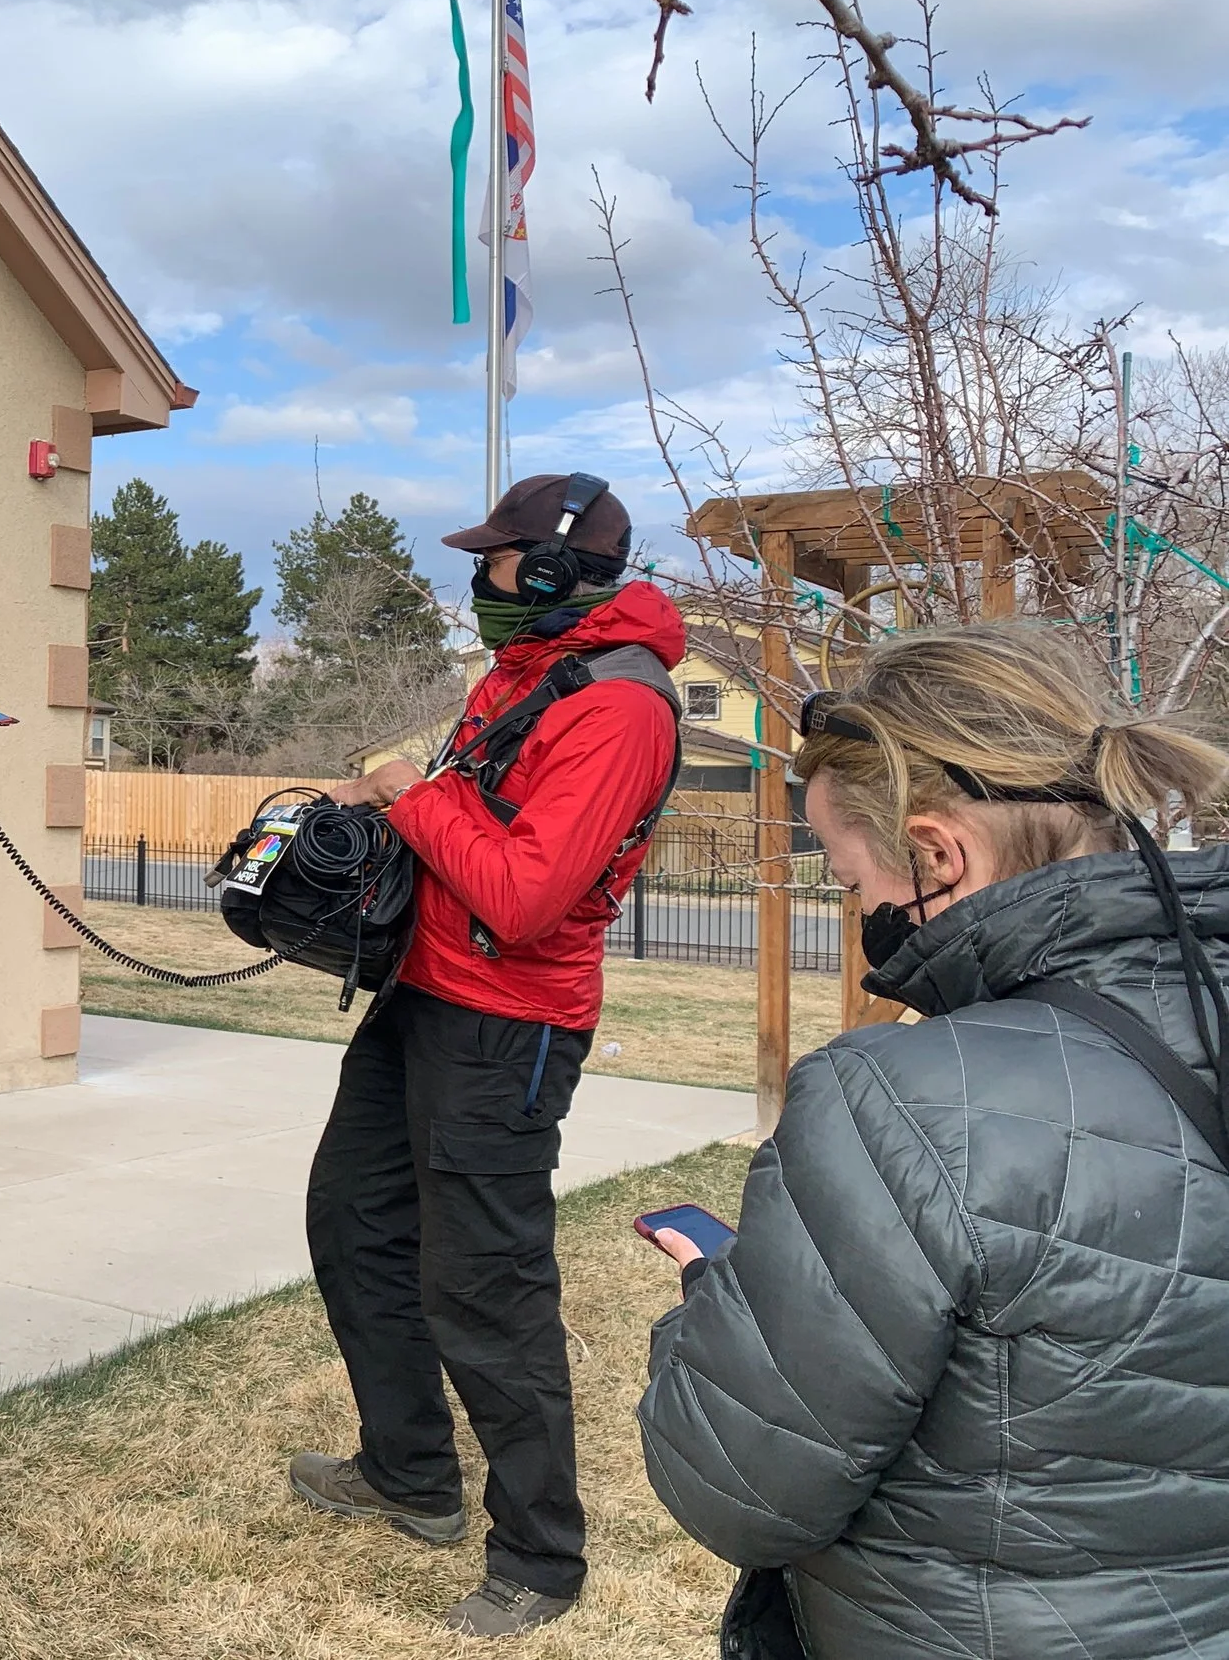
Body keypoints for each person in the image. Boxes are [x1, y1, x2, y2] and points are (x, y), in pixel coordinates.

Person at [638, 628, 1229, 1657]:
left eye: (849, 877)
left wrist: (720, 1307)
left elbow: (735, 1486)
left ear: (935, 854)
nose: (857, 909)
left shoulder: (895, 1103)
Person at [293, 474, 684, 1638]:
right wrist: (382, 805)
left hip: (506, 1026)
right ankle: (409, 1472)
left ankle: (538, 1556)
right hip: (422, 991)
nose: (481, 582)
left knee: (486, 1288)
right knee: (353, 1222)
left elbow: (521, 893)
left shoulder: (621, 709)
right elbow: (471, 819)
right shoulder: (521, 677)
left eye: (498, 562)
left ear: (556, 574)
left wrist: (415, 799)